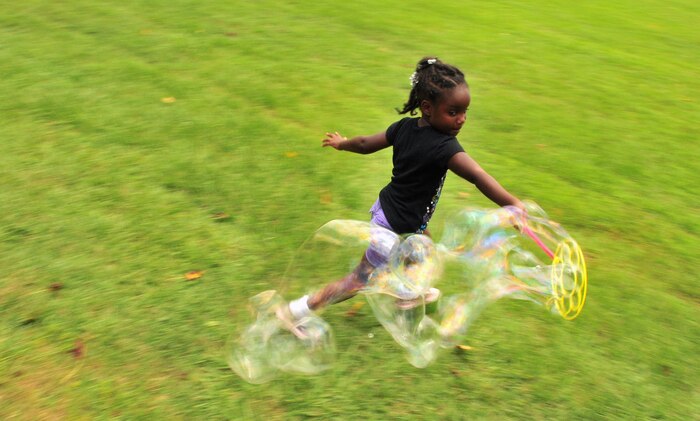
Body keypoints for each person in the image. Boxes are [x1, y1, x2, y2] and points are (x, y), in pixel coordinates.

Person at [282, 57, 525, 327]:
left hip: (391, 211)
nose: (462, 119)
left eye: (465, 111)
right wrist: (511, 202)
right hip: (398, 225)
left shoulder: (404, 128)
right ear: (427, 108)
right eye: (453, 112)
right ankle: (296, 311)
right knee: (358, 281)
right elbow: (478, 176)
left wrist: (342, 144)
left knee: (424, 250)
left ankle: (409, 293)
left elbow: (364, 144)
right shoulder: (445, 148)